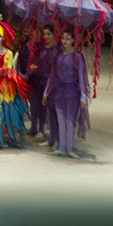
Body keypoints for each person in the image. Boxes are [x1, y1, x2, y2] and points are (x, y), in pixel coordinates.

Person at [43, 28, 90, 159]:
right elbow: (52, 75)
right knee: (60, 119)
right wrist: (46, 91)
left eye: (68, 38)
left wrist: (83, 96)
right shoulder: (58, 55)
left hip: (72, 92)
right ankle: (61, 147)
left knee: (70, 120)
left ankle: (69, 148)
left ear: (73, 40)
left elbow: (81, 76)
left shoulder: (77, 56)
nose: (65, 41)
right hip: (58, 90)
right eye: (63, 38)